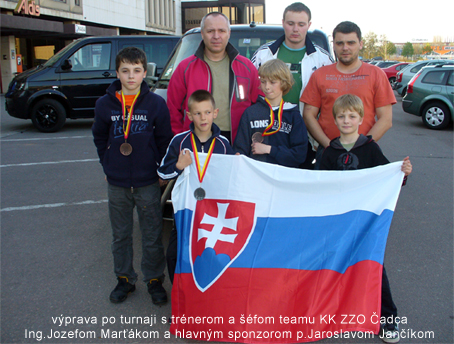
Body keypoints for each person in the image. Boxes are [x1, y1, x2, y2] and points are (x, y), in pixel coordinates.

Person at [318, 94, 412, 344]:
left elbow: (386, 176)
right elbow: (317, 186)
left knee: (374, 267)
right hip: (337, 224)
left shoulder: (370, 148)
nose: (346, 120)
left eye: (351, 116)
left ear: (361, 119)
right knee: (332, 266)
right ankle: (328, 314)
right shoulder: (329, 152)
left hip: (364, 224)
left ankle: (388, 319)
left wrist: (401, 173)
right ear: (334, 119)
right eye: (341, 116)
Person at [92, 47, 173, 305]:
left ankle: (153, 279)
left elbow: (164, 140)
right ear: (117, 73)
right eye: (125, 71)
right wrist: (108, 166)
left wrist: (161, 170)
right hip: (116, 182)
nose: (131, 77)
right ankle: (125, 279)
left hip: (148, 180)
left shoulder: (155, 104)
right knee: (121, 234)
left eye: (136, 71)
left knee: (151, 233)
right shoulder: (105, 104)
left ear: (144, 73)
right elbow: (99, 137)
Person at [158, 90, 234, 283]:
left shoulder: (223, 144)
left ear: (215, 113)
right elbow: (162, 173)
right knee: (175, 256)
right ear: (189, 115)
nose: (203, 118)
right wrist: (178, 166)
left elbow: (233, 179)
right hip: (186, 210)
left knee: (209, 259)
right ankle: (180, 304)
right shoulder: (180, 141)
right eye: (198, 113)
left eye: (207, 112)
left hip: (212, 214)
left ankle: (203, 302)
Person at [301, 21, 395, 168]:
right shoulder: (320, 75)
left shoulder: (376, 74)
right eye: (340, 43)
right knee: (325, 191)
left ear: (361, 44)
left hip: (364, 153)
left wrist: (362, 147)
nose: (345, 48)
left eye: (351, 43)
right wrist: (330, 147)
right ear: (333, 45)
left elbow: (386, 119)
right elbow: (308, 115)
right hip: (326, 152)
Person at [251, 2, 333, 168]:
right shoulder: (263, 54)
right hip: (268, 133)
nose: (296, 29)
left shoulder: (323, 59)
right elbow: (251, 93)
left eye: (301, 24)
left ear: (309, 25)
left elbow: (330, 99)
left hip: (306, 136)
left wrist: (320, 136)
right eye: (290, 23)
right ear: (283, 23)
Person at [166, 12, 261, 144]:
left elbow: (260, 107)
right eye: (210, 31)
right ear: (202, 34)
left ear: (229, 33)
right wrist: (182, 140)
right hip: (197, 140)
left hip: (238, 142)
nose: (216, 36)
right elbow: (172, 109)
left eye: (221, 31)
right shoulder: (185, 68)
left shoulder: (247, 68)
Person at [233, 59, 307, 167]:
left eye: (272, 82)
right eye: (263, 82)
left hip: (283, 177)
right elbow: (240, 149)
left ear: (283, 82)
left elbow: (299, 155)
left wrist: (269, 150)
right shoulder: (251, 113)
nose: (267, 87)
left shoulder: (293, 115)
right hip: (256, 176)